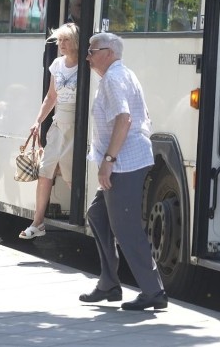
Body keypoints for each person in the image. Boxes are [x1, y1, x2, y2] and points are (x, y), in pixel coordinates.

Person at [79, 32, 167, 311]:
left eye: (92, 51)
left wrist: (108, 159)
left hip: (124, 162)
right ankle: (109, 283)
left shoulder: (114, 79)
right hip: (125, 160)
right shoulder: (119, 74)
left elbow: (125, 118)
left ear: (108, 52)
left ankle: (153, 291)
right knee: (97, 213)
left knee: (125, 227)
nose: (88, 56)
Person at [19, 22, 79, 239]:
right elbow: (51, 97)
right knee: (45, 172)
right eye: (59, 40)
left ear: (76, 42)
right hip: (57, 124)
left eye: (66, 40)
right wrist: (38, 121)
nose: (61, 44)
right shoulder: (57, 64)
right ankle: (38, 223)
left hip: (75, 128)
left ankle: (89, 220)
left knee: (72, 176)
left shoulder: (86, 66)